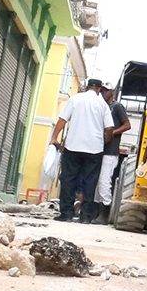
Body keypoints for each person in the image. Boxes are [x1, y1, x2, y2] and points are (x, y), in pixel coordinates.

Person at [50, 78, 113, 224]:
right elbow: (109, 128)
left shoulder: (75, 99)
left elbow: (62, 119)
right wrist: (104, 141)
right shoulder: (103, 105)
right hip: (94, 149)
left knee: (68, 179)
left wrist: (54, 137)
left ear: (86, 87)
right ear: (99, 89)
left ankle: (66, 214)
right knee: (90, 182)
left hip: (73, 146)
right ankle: (85, 217)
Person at [92, 84, 131, 225]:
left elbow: (127, 125)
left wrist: (112, 133)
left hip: (110, 151)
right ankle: (95, 213)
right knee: (97, 182)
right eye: (101, 90)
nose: (103, 93)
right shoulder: (101, 107)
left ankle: (104, 212)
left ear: (112, 92)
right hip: (98, 149)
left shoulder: (117, 107)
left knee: (104, 181)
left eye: (105, 91)